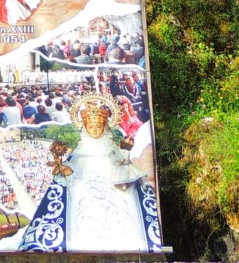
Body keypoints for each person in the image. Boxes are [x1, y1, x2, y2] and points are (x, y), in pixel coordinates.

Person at [10, 93, 163, 253]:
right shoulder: (77, 154)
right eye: (91, 126)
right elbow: (70, 176)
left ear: (105, 125)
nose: (95, 130)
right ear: (84, 126)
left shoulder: (114, 150)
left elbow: (125, 167)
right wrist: (66, 171)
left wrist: (124, 157)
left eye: (98, 126)